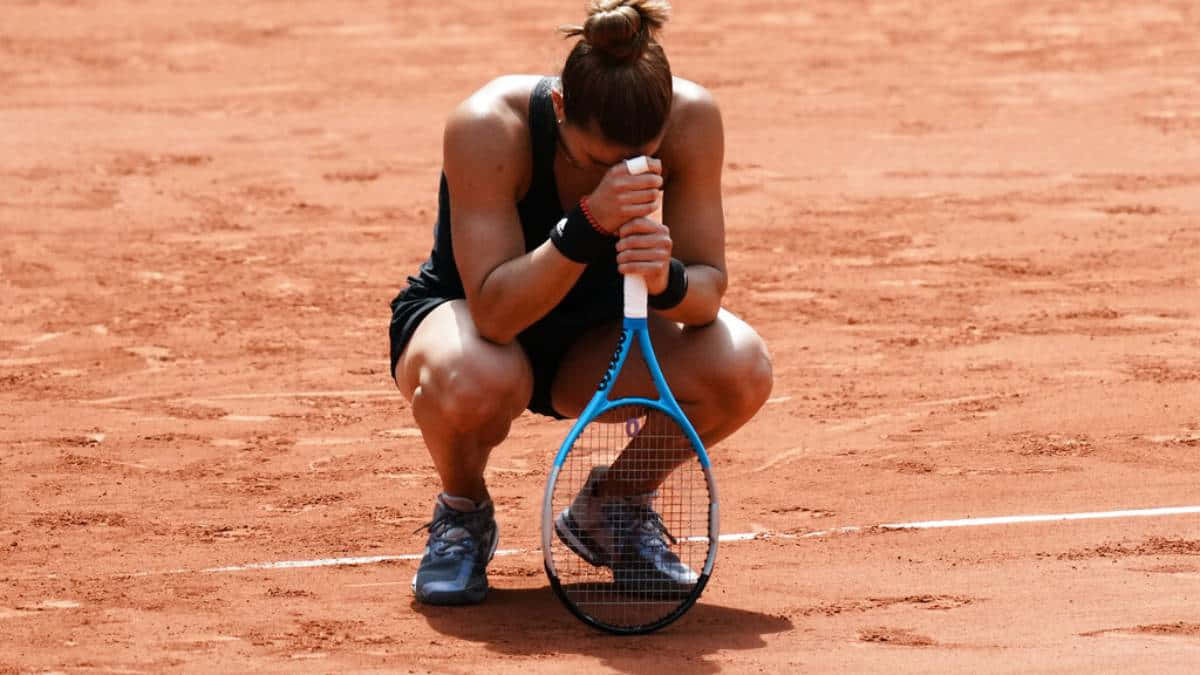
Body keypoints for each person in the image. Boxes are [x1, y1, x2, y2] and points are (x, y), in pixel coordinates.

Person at [389, 0, 773, 606]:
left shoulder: (693, 121)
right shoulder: (487, 124)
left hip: (597, 344)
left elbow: (706, 293)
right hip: (476, 325)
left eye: (638, 158)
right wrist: (590, 222)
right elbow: (494, 313)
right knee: (474, 377)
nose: (618, 173)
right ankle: (463, 511)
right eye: (597, 161)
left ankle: (612, 507)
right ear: (561, 107)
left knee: (741, 368)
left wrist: (666, 279)